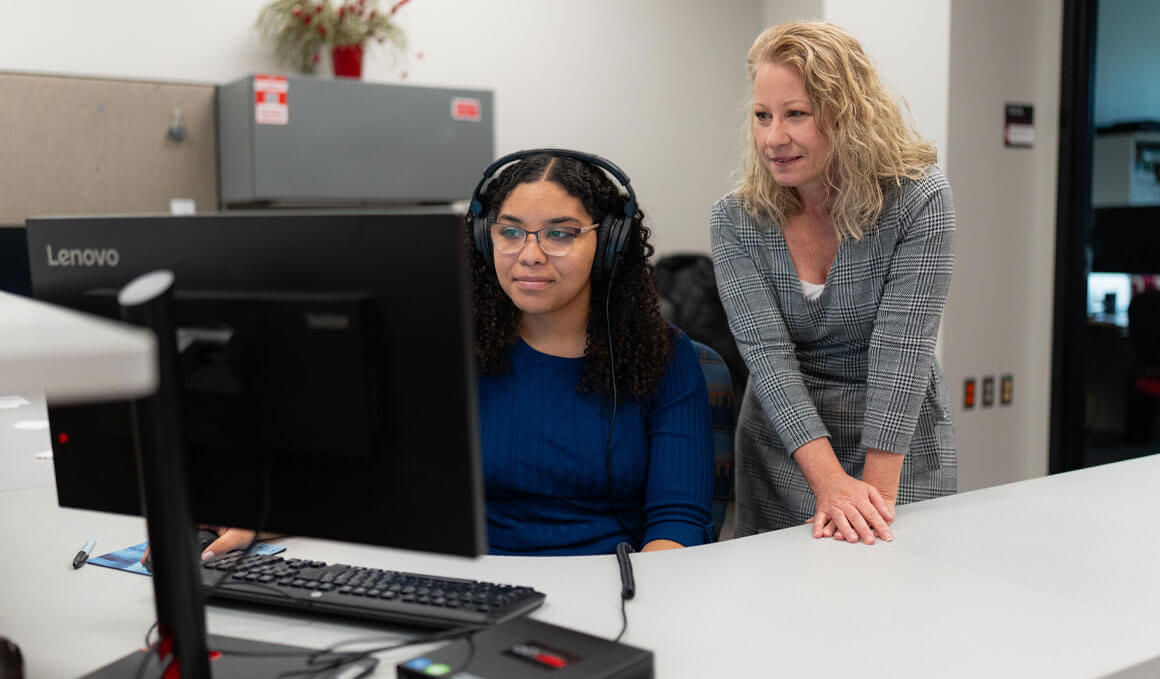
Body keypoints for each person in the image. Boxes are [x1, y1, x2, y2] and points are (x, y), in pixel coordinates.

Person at [710, 21, 956, 545]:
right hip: (785, 443)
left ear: (848, 113)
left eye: (796, 114)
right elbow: (769, 357)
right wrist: (828, 483)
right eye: (762, 116)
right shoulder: (736, 219)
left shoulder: (918, 199)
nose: (774, 138)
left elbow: (903, 349)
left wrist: (875, 500)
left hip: (896, 440)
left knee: (894, 591)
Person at [468, 149, 715, 555]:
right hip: (476, 583)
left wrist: (636, 609)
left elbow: (678, 521)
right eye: (510, 232)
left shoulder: (665, 356)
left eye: (560, 234)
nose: (530, 255)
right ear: (484, 238)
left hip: (613, 591)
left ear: (608, 247)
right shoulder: (457, 351)